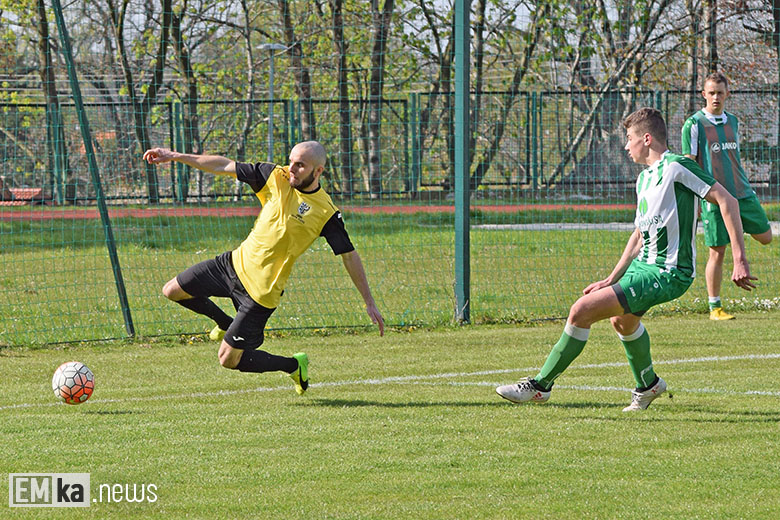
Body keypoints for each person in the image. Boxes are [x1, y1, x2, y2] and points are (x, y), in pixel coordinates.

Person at [496, 107, 756, 411]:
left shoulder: (677, 167)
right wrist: (612, 278)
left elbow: (727, 199)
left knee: (581, 310)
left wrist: (739, 258)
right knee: (623, 320)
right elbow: (638, 235)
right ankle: (648, 385)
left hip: (668, 272)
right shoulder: (644, 180)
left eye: (629, 138)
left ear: (646, 139)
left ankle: (541, 386)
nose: (625, 145)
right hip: (641, 268)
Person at [142, 141, 384, 395]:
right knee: (172, 290)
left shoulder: (325, 212)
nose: (292, 168)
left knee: (228, 359)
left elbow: (349, 256)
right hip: (232, 265)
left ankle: (293, 364)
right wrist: (175, 156)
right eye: (291, 161)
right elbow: (224, 165)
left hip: (260, 294)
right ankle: (224, 321)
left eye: (300, 165)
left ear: (318, 171)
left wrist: (368, 301)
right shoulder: (274, 176)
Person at [682, 72, 772, 321]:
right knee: (717, 252)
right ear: (703, 94)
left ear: (727, 94)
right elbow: (689, 164)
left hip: (742, 192)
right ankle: (715, 307)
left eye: (720, 93)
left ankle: (736, 228)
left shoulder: (733, 121)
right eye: (711, 92)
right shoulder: (693, 124)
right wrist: (698, 198)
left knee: (766, 237)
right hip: (714, 197)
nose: (715, 97)